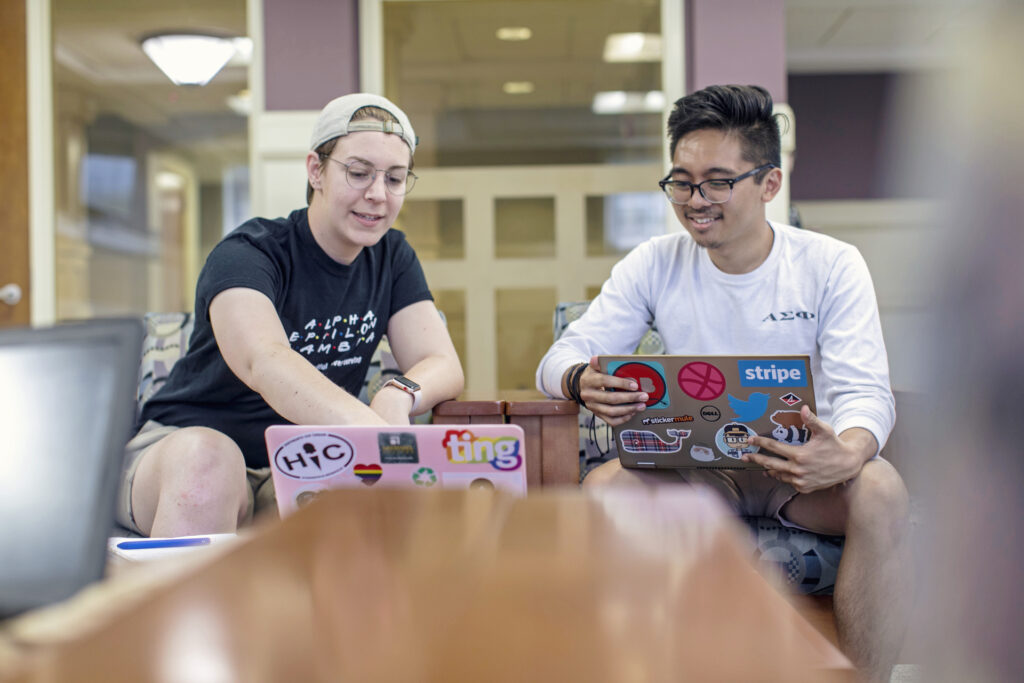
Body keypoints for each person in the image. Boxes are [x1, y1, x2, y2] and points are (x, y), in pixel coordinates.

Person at [535, 84, 909, 683]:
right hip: (698, 473)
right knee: (607, 488)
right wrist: (580, 380)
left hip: (803, 476)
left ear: (769, 184)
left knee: (882, 489)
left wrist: (849, 450)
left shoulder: (830, 264)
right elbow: (560, 356)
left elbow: (866, 391)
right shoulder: (655, 262)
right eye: (681, 181)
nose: (695, 200)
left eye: (716, 181)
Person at [119, 93, 464, 539]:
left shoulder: (391, 256)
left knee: (350, 510)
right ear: (316, 170)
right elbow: (265, 361)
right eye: (358, 173)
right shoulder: (249, 253)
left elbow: (443, 363)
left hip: (298, 462)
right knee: (211, 463)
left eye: (395, 179)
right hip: (180, 450)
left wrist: (397, 394)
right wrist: (376, 437)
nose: (378, 195)